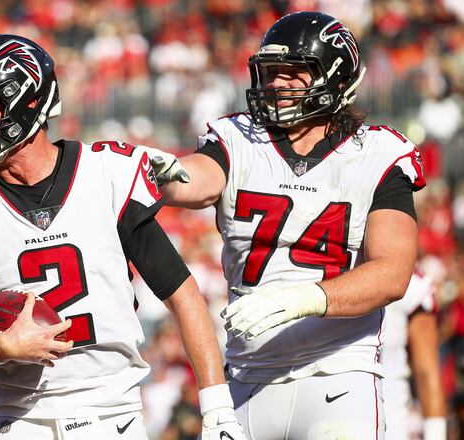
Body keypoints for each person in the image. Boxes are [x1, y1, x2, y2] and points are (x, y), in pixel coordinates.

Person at [0, 34, 245, 440]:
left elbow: (183, 295)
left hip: (112, 416)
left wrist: (217, 410)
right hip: (20, 421)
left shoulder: (107, 174)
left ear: (27, 100)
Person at [146, 11, 426, 438]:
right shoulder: (240, 139)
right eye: (271, 72)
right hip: (246, 377)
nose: (276, 83)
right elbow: (197, 181)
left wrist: (300, 299)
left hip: (338, 374)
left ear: (336, 77)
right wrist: (165, 174)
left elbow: (392, 273)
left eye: (292, 72)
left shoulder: (378, 155)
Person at [383, 273, 446, 439]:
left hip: (390, 424)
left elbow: (427, 373)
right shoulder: (324, 272)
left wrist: (436, 434)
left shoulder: (412, 286)